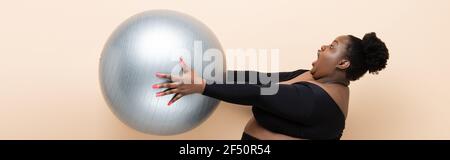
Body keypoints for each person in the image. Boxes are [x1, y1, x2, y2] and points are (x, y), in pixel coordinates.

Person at [152, 32, 389, 140]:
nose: (322, 47)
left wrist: (202, 86)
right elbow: (260, 79)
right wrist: (211, 75)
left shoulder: (319, 101)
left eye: (331, 46)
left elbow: (260, 93)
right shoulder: (313, 77)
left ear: (343, 63)